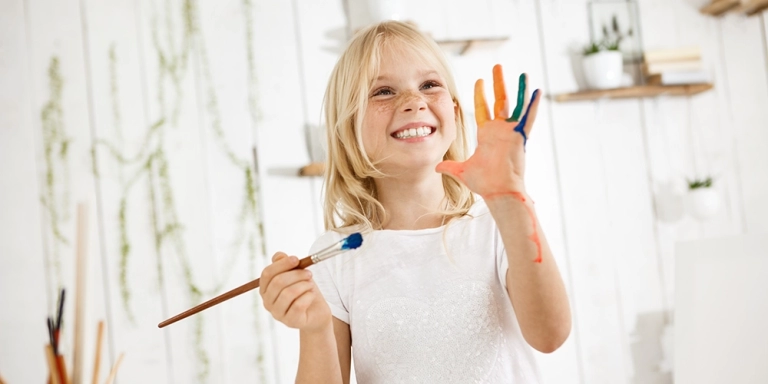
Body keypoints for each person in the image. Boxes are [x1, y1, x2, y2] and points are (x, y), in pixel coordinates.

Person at [258, 20, 571, 383]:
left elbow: (551, 335)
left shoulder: (496, 226)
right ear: (348, 130)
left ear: (454, 112)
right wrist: (314, 329)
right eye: (383, 91)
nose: (414, 101)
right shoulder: (335, 259)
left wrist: (511, 199)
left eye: (429, 85)